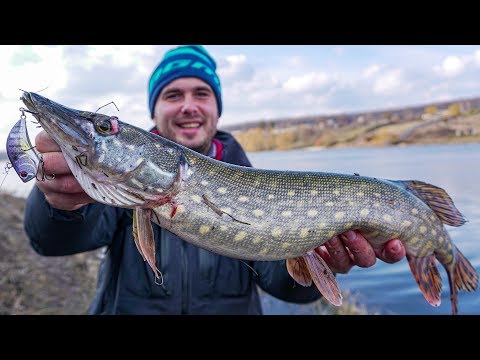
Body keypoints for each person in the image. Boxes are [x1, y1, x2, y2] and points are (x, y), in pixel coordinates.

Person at [23, 45, 406, 314]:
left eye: (201, 93)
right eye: (173, 95)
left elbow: (282, 284)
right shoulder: (118, 192)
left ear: (215, 108)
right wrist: (58, 204)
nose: (188, 105)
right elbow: (50, 243)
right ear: (154, 111)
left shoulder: (256, 182)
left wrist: (325, 260)